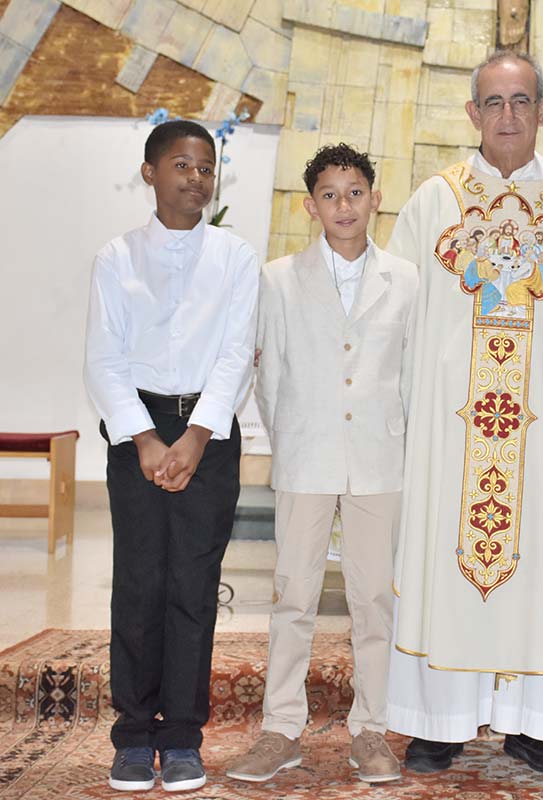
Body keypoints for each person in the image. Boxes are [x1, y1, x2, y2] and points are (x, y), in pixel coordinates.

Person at [385, 49, 543, 776]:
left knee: (542, 561)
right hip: (451, 431)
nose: (508, 116)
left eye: (522, 101)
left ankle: (537, 726)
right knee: (447, 566)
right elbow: (396, 318)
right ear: (472, 113)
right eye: (494, 102)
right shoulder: (434, 202)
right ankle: (439, 721)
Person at [226, 144, 417, 785]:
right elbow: (270, 374)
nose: (343, 205)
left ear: (374, 198)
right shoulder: (279, 278)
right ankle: (280, 730)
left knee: (373, 599)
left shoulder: (407, 280)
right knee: (293, 596)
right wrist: (297, 436)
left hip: (378, 457)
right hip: (306, 454)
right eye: (330, 195)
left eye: (355, 191)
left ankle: (372, 732)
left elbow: (411, 375)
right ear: (311, 205)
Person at [83, 119, 258, 792]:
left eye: (207, 168)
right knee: (138, 584)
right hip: (138, 430)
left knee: (192, 589)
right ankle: (132, 738)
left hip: (206, 434)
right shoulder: (116, 257)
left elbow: (236, 353)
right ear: (150, 172)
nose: (196, 179)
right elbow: (104, 358)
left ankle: (183, 737)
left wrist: (195, 436)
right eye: (182, 166)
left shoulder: (235, 258)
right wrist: (147, 437)